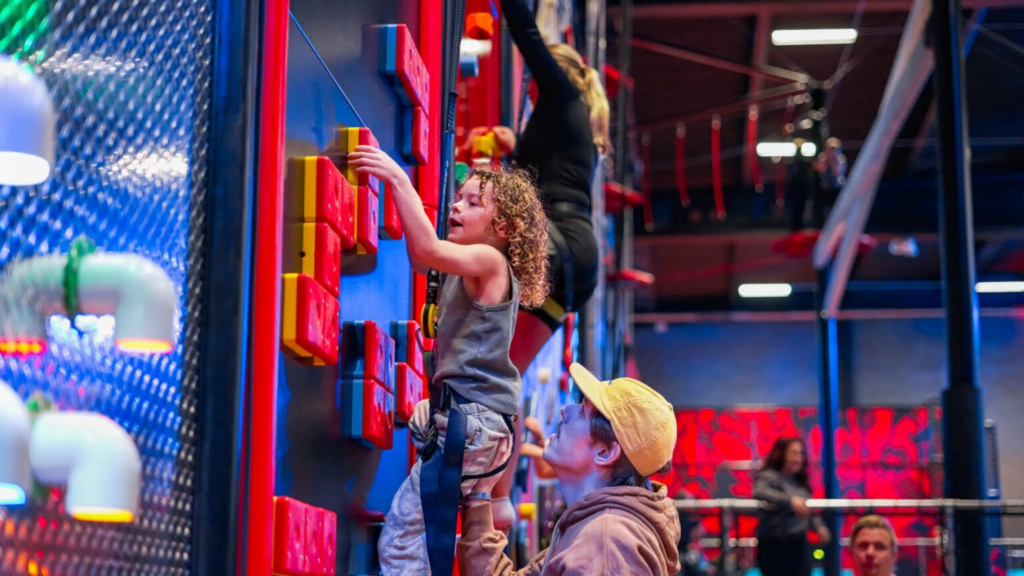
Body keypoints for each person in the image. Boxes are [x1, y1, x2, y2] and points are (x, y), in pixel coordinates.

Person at [349, 148, 549, 575]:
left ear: (502, 227)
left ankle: (488, 500)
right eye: (458, 197)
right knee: (431, 523)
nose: (457, 206)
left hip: (474, 421)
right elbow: (423, 258)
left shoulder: (491, 262)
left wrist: (398, 181)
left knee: (403, 536)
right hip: (472, 418)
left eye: (473, 202)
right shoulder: (468, 267)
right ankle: (489, 499)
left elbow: (425, 247)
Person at [491, 0, 612, 531]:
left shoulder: (562, 95)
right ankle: (496, 500)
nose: (530, 89)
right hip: (576, 258)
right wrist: (514, 150)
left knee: (493, 368)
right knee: (504, 374)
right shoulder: (571, 122)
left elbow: (523, 28)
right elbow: (549, 170)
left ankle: (492, 492)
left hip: (555, 242)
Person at [455, 363, 682, 575]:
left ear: (605, 453)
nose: (566, 410)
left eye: (583, 411)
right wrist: (480, 494)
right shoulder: (597, 531)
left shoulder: (604, 545)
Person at [753, 436, 831, 576]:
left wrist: (819, 527)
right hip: (774, 543)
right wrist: (790, 500)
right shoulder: (770, 476)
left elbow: (809, 511)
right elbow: (759, 491)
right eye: (794, 453)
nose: (798, 458)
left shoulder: (801, 483)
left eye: (801, 453)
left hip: (799, 544)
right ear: (782, 454)